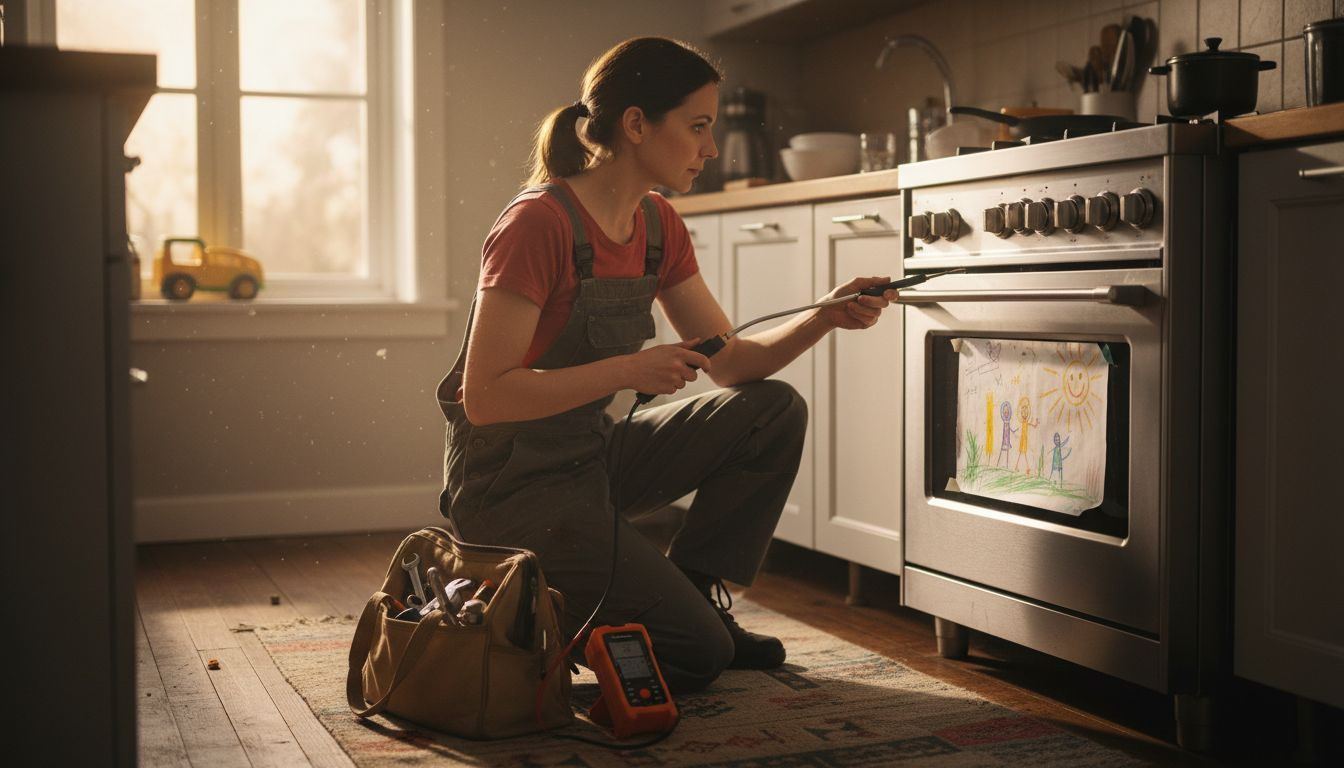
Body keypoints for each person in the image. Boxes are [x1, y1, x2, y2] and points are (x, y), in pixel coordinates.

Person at [435, 36, 899, 694]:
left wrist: (823, 315)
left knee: (771, 411)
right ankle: (524, 607)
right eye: (698, 127)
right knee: (698, 655)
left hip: (592, 459)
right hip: (512, 487)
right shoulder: (536, 224)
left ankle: (686, 593)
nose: (710, 148)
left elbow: (733, 364)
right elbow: (485, 397)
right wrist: (628, 368)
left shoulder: (657, 224)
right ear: (635, 125)